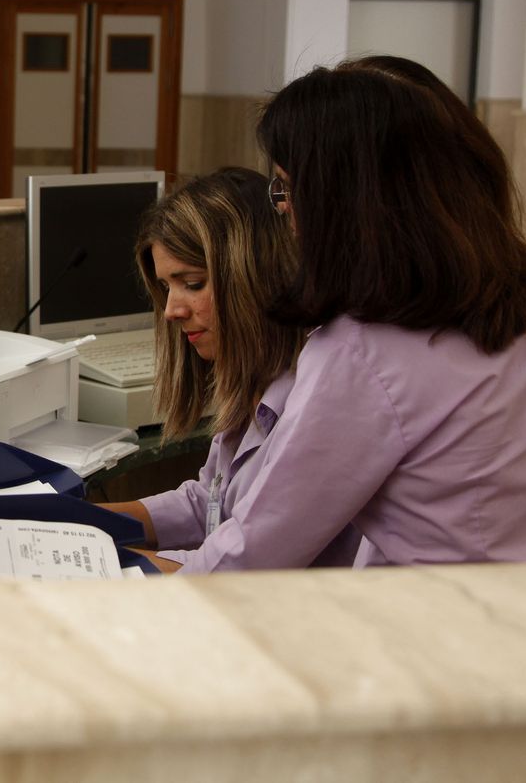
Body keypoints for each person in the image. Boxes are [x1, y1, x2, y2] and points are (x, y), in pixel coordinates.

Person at [176, 55, 526, 587]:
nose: (284, 210)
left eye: (286, 188)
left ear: (343, 200)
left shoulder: (361, 354)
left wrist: (126, 589)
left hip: (436, 649)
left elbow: (254, 554)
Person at [96, 168, 358, 571]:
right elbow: (210, 503)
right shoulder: (254, 381)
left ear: (254, 278)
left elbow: (237, 565)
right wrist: (87, 521)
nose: (171, 311)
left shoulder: (317, 398)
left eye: (194, 283)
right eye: (167, 287)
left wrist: (89, 555)